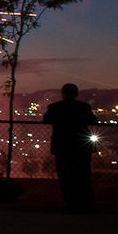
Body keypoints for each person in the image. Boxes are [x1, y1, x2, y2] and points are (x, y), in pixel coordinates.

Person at [42, 83, 97, 211]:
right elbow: (93, 121)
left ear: (63, 93)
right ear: (76, 93)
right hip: (82, 146)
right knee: (83, 174)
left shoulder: (55, 107)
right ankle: (85, 202)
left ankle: (70, 201)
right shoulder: (84, 107)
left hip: (63, 146)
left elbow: (46, 120)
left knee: (65, 175)